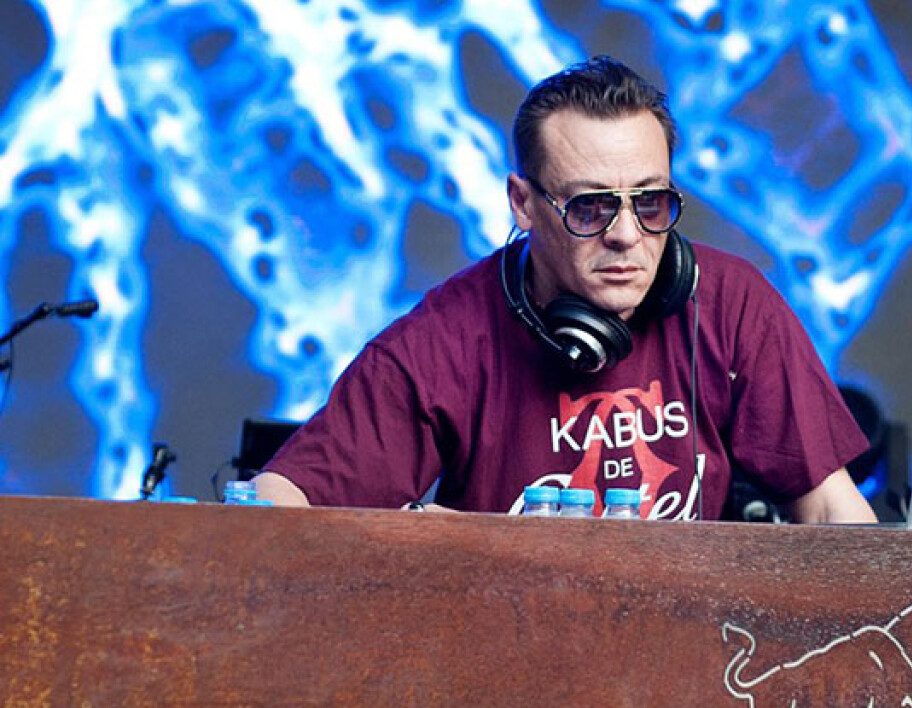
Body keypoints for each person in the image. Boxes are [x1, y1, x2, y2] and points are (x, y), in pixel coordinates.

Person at [255, 56, 877, 523]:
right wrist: (423, 538)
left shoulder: (730, 304)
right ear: (523, 204)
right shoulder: (446, 338)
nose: (627, 235)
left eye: (650, 203)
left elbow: (832, 512)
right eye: (590, 207)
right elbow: (278, 504)